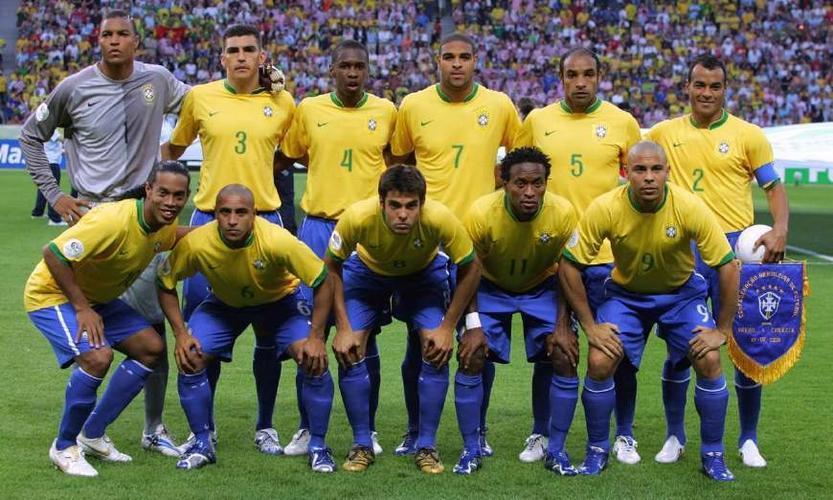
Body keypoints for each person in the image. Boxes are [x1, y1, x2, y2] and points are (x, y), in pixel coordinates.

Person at [18, 9, 189, 457]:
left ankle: (152, 428)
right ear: (98, 41)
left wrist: (258, 83)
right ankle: (76, 436)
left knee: (150, 334)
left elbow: (203, 105)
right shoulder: (73, 88)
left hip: (146, 218)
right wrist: (55, 195)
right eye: (106, 34)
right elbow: (30, 136)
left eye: (122, 34)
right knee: (92, 330)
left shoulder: (158, 80)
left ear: (136, 41)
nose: (113, 41)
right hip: (95, 218)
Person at [559, 141, 739, 481]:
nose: (649, 177)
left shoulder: (689, 206)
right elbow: (569, 265)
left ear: (668, 172)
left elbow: (728, 266)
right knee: (599, 360)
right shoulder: (605, 207)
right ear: (626, 173)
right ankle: (597, 450)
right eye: (640, 169)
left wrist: (723, 329)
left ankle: (713, 455)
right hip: (626, 296)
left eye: (656, 169)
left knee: (709, 359)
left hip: (680, 295)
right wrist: (589, 325)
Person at [645, 54, 789, 467]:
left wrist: (780, 229)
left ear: (725, 89)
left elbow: (773, 188)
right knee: (681, 348)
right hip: (683, 250)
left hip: (735, 253)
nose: (706, 93)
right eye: (699, 85)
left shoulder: (749, 135)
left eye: (715, 86)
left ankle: (748, 439)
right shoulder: (663, 133)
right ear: (687, 87)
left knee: (745, 348)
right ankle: (675, 436)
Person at [161, 23, 296, 456]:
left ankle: (266, 426)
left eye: (248, 49)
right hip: (206, 222)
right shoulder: (200, 98)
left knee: (269, 332)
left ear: (262, 57)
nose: (240, 56)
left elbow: (293, 152)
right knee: (202, 331)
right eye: (232, 50)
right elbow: (173, 150)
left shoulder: (282, 101)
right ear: (222, 58)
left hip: (266, 220)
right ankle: (204, 427)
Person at [389, 32, 520, 456]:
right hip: (427, 245)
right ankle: (414, 429)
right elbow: (399, 162)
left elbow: (517, 163)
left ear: (476, 60)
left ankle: (477, 431)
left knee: (479, 340)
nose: (457, 63)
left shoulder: (499, 105)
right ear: (437, 61)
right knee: (419, 340)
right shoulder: (413, 105)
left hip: (480, 243)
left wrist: (492, 192)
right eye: (449, 57)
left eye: (465, 56)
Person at [513, 47, 641, 464]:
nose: (581, 82)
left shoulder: (622, 122)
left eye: (588, 74)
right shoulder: (538, 121)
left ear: (599, 77)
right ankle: (541, 432)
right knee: (552, 349)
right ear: (561, 78)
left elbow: (639, 185)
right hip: (551, 257)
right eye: (573, 75)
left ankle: (624, 434)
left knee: (617, 349)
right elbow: (517, 176)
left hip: (607, 257)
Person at [23, 161, 191, 477]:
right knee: (97, 357)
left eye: (178, 196)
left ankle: (93, 434)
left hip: (96, 299)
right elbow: (53, 253)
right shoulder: (113, 220)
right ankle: (64, 447)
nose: (171, 202)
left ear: (187, 196)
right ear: (149, 190)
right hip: (52, 295)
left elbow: (175, 237)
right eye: (163, 193)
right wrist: (82, 308)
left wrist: (218, 230)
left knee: (151, 348)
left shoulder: (163, 223)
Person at [156, 184, 337, 472]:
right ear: (215, 214)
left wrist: (316, 337)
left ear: (254, 214)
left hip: (280, 302)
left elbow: (323, 280)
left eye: (241, 212)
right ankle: (202, 442)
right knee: (191, 356)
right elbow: (164, 282)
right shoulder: (197, 243)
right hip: (225, 304)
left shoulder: (277, 240)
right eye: (225, 212)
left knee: (312, 358)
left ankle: (317, 446)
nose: (232, 220)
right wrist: (180, 333)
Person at [280, 39, 396, 457]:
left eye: (359, 66)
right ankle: (307, 427)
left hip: (367, 234)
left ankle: (368, 428)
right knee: (310, 330)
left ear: (367, 71)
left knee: (366, 333)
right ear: (332, 70)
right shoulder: (310, 109)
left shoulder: (386, 111)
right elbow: (291, 155)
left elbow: (396, 160)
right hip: (317, 228)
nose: (352, 72)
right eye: (345, 66)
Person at [327, 165, 481, 474]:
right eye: (395, 205)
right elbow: (331, 265)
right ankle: (361, 443)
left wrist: (448, 326)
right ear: (381, 202)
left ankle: (426, 445)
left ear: (422, 204)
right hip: (367, 273)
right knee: (350, 348)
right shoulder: (357, 217)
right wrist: (342, 327)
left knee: (435, 347)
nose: (403, 214)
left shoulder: (440, 218)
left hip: (422, 275)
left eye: (411, 206)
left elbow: (471, 266)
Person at [459, 146, 579, 475]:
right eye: (520, 183)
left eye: (537, 183)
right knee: (473, 353)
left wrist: (563, 324)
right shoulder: (481, 213)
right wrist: (472, 324)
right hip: (490, 287)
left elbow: (569, 269)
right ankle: (472, 445)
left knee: (562, 353)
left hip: (542, 286)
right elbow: (468, 270)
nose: (529, 192)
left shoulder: (563, 212)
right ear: (504, 182)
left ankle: (553, 447)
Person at [31, 130, 65, 225]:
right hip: (51, 162)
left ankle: (38, 212)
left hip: (44, 161)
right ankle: (54, 219)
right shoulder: (50, 129)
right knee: (53, 190)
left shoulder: (43, 127)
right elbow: (62, 139)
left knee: (44, 188)